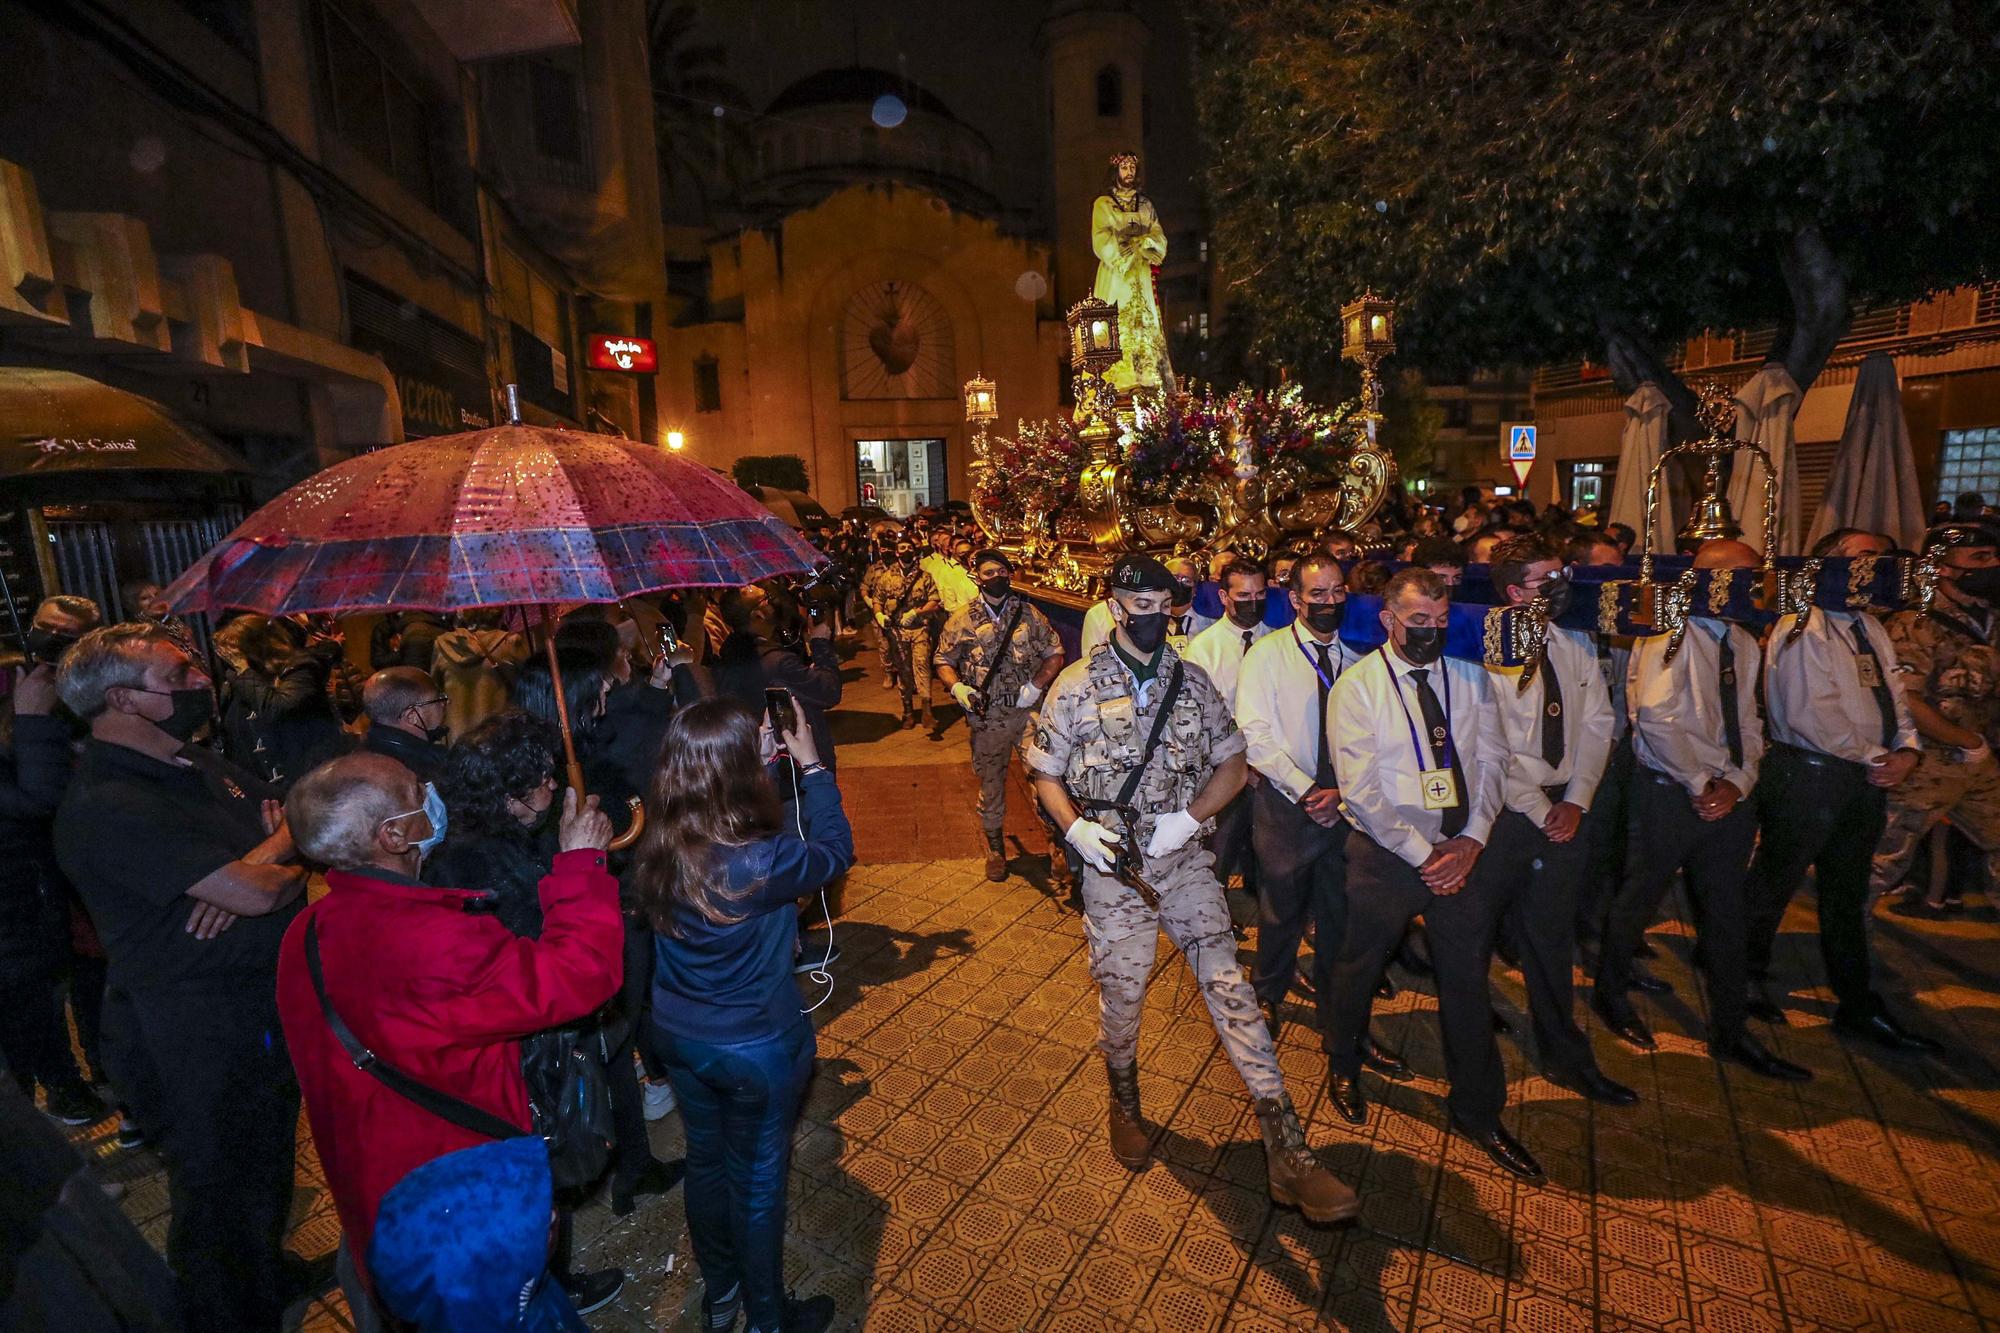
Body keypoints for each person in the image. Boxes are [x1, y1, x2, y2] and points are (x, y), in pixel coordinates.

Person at [1024, 556, 1356, 1222]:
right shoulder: (1075, 684)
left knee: (1231, 988)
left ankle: (1285, 1145)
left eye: (1160, 602)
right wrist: (1075, 831)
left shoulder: (1193, 682)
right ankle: (1124, 1095)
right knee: (1123, 994)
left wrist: (1190, 818)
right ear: (1115, 606)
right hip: (1114, 872)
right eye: (1135, 601)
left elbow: (1234, 761)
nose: (1149, 614)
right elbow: (1042, 769)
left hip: (1183, 866)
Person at [276, 750, 627, 1327]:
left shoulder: (306, 930)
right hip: (457, 1207)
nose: (432, 793)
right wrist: (581, 863)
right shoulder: (430, 940)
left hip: (377, 1193)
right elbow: (580, 976)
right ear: (393, 835)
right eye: (417, 790)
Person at [53, 623, 309, 1333]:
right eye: (178, 674)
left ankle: (269, 1277)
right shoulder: (108, 803)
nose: (201, 679)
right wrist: (266, 871)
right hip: (186, 1032)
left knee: (264, 1170)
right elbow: (258, 893)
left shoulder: (192, 762)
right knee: (216, 1192)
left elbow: (301, 819)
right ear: (121, 700)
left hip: (253, 1008)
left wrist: (274, 848)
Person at [636, 699, 851, 1333]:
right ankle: (767, 1318)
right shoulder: (763, 860)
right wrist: (811, 768)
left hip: (678, 1035)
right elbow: (835, 852)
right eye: (756, 737)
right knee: (758, 1183)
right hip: (755, 1045)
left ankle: (722, 1293)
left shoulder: (659, 837)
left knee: (706, 1161)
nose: (770, 738)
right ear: (730, 764)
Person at [1325, 569, 1542, 1180]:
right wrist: (1426, 857)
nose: (1431, 632)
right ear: (1390, 620)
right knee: (1359, 962)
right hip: (1389, 854)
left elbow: (1494, 756)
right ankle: (1342, 1057)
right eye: (1418, 621)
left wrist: (1473, 839)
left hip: (1462, 850)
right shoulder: (1359, 688)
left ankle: (1477, 1109)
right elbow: (1362, 792)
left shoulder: (1470, 676)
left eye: (1441, 622)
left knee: (1467, 980)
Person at [1593, 539, 1811, 1082]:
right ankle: (1610, 994)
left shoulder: (1741, 639)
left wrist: (1738, 781)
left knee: (1726, 909)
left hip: (1727, 792)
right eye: (1743, 576)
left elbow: (1751, 720)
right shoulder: (1670, 632)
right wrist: (1699, 784)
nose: (1756, 586)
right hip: (1669, 790)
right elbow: (1656, 718)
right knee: (1640, 896)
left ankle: (1731, 1029)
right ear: (1709, 580)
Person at [1745, 528, 1937, 1053]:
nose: (1875, 569)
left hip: (1862, 778)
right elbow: (1813, 714)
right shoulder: (1803, 625)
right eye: (1863, 559)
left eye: (1879, 559)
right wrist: (1881, 758)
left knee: (1846, 895)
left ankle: (1857, 1003)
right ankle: (1741, 979)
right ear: (1827, 566)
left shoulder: (1868, 625)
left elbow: (1894, 695)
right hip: (1810, 776)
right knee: (1774, 882)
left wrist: (1909, 750)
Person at [1469, 538, 1634, 1105]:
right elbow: (1489, 743)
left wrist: (1579, 797)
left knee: (1550, 938)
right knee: (1473, 936)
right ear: (1516, 593)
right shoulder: (1490, 649)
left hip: (1566, 806)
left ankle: (1566, 1055)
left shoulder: (1574, 641)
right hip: (1505, 814)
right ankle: (1474, 1062)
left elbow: (1597, 721)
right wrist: (1540, 809)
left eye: (1563, 574)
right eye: (1546, 580)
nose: (1562, 587)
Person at [1234, 555, 1401, 1077]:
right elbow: (1255, 736)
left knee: (1339, 920)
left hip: (1347, 811)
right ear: (1295, 600)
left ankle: (1342, 1019)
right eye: (1317, 594)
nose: (1328, 602)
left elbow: (1373, 742)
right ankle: (1268, 991)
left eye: (1336, 593)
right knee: (1281, 911)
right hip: (1288, 806)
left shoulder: (1358, 659)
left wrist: (1343, 795)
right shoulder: (1267, 656)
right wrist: (1310, 791)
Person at [1, 597, 105, 1127]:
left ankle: (80, 1084)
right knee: (26, 1004)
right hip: (19, 880)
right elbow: (32, 800)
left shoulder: (76, 691)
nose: (52, 643)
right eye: (46, 631)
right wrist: (30, 719)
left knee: (67, 986)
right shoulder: (17, 689)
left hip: (61, 871)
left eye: (67, 637)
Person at [1875, 519, 2000, 912]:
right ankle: (1844, 944)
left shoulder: (1991, 620)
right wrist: (1966, 741)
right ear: (1942, 567)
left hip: (1979, 763)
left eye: (1995, 556)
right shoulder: (1915, 623)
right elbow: (1905, 699)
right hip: (1924, 765)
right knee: (1879, 863)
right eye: (1979, 557)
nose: (1992, 565)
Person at [935, 551, 1064, 880]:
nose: (996, 576)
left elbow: (1054, 653)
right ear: (977, 577)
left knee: (1044, 776)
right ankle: (995, 848)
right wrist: (958, 690)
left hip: (1027, 712)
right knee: (991, 784)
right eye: (989, 572)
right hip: (988, 717)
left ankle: (1056, 846)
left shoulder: (1029, 614)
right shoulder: (962, 619)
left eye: (1002, 570)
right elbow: (943, 661)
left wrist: (1036, 686)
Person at [1185, 559, 1274, 899]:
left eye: (1260, 593)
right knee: (1220, 851)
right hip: (1225, 769)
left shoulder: (1278, 641)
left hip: (1271, 769)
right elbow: (1202, 718)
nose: (1253, 602)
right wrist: (1240, 765)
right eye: (1244, 595)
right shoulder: (1204, 649)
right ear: (1224, 596)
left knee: (1268, 854)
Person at [713, 584, 843, 765]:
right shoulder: (777, 663)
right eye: (766, 599)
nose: (774, 602)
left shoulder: (729, 655)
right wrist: (820, 643)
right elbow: (829, 691)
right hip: (797, 771)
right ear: (758, 615)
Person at [220, 615, 348, 789]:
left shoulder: (300, 667)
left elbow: (279, 708)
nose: (231, 659)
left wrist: (243, 669)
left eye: (236, 652)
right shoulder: (237, 683)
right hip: (263, 790)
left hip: (308, 783)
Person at [874, 539, 943, 732]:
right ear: (896, 553)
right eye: (902, 548)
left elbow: (934, 601)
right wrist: (879, 615)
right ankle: (908, 712)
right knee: (904, 672)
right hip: (897, 633)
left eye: (909, 548)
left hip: (919, 629)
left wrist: (916, 613)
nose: (906, 551)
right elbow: (877, 600)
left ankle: (927, 710)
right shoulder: (886, 577)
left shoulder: (924, 577)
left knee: (922, 666)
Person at [430, 609, 529, 740]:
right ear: (500, 616)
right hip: (498, 737)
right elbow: (529, 686)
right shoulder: (510, 644)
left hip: (455, 738)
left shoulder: (443, 645)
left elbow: (435, 689)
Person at [359, 667, 450, 783]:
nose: (445, 703)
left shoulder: (359, 755)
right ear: (412, 717)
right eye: (438, 699)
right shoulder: (424, 775)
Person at [1165, 556, 1214, 645]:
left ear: (1194, 589)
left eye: (1186, 580)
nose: (1179, 584)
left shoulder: (1210, 623)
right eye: (1174, 578)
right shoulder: (1149, 621)